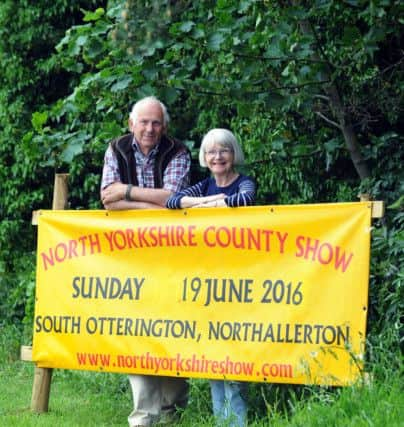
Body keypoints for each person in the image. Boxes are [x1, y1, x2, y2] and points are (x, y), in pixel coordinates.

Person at [100, 96, 191, 427]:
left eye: (156, 123)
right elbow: (107, 199)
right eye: (144, 122)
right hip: (129, 258)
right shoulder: (116, 148)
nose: (150, 128)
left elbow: (173, 198)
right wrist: (152, 204)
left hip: (171, 257)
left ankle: (173, 410)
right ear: (131, 124)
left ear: (164, 127)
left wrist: (127, 192)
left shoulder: (178, 151)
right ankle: (144, 417)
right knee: (138, 333)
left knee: (174, 330)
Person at [166, 128, 256, 426]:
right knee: (214, 353)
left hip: (238, 281)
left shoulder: (245, 182)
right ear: (204, 158)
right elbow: (173, 202)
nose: (218, 157)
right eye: (212, 152)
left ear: (234, 154)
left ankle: (237, 421)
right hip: (207, 282)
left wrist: (210, 205)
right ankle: (221, 420)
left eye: (224, 150)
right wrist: (211, 201)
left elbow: (243, 202)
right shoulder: (202, 186)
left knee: (234, 351)